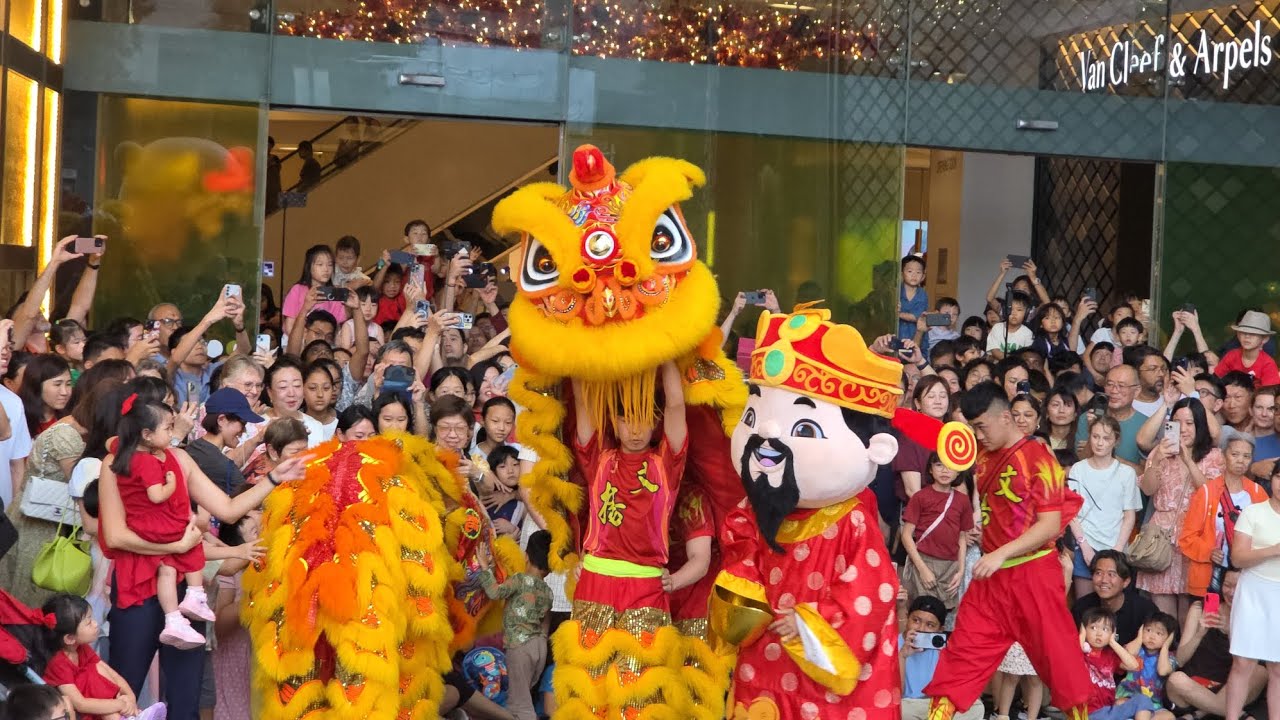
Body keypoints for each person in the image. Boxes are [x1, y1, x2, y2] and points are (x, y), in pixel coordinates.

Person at [97, 432, 307, 720]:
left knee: (187, 702)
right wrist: (176, 546)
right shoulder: (115, 463)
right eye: (167, 423)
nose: (173, 431)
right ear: (144, 428)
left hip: (185, 594)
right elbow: (114, 536)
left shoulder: (180, 459)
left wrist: (273, 479)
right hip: (136, 586)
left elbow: (229, 510)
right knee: (125, 689)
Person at [926, 382, 1089, 720]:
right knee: (962, 655)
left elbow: (1048, 524)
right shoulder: (982, 454)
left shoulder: (1039, 457)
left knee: (1060, 661)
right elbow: (937, 439)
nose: (977, 434)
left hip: (1033, 573)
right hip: (991, 578)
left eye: (982, 426)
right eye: (972, 427)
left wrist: (1001, 554)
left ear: (1005, 417)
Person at [111, 396, 215, 648]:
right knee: (191, 532)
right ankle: (194, 594)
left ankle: (173, 618)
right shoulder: (147, 462)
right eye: (168, 428)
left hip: (141, 523)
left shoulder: (126, 455)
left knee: (167, 569)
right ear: (146, 434)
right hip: (154, 524)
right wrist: (171, 483)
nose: (172, 433)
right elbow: (156, 495)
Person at [1138, 398, 1221, 619]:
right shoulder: (1160, 451)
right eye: (1176, 422)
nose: (1182, 428)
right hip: (1161, 536)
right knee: (1161, 610)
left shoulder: (1213, 456)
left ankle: (1183, 654)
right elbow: (1147, 490)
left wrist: (1188, 460)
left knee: (1189, 602)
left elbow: (1210, 493)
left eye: (1189, 423)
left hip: (1193, 534)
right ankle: (1167, 652)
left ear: (1200, 425)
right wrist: (1156, 462)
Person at [40, 594, 166, 720]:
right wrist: (119, 704)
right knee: (93, 680)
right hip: (78, 712)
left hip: (99, 704)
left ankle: (132, 716)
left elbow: (110, 673)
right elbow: (80, 704)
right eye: (88, 622)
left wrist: (130, 697)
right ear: (70, 638)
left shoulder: (81, 648)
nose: (95, 624)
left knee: (96, 668)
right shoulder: (58, 663)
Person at [1162, 571, 1266, 718]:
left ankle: (1200, 713)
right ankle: (1236, 714)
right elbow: (1180, 660)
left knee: (1260, 672)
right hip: (1194, 686)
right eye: (1227, 585)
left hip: (1228, 687)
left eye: (1236, 587)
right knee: (1176, 679)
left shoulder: (1255, 617)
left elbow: (1244, 664)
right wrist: (1200, 633)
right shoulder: (1199, 609)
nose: (1230, 592)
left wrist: (1232, 634)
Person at [1222, 458, 1280, 720]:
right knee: (1242, 663)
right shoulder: (1253, 513)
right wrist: (1275, 550)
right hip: (1253, 590)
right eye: (1279, 478)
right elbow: (1237, 558)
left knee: (1278, 668)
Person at [1179, 432, 1268, 598]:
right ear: (1223, 455)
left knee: (1238, 622)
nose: (1240, 460)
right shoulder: (1207, 492)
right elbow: (1187, 538)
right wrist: (1209, 552)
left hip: (1245, 577)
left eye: (1246, 456)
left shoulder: (1257, 493)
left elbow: (1265, 535)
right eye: (1234, 454)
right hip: (1210, 577)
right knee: (1210, 619)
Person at [476, 529, 552, 720]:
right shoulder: (548, 591)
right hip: (538, 647)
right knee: (519, 697)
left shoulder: (519, 580)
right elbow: (544, 622)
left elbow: (494, 593)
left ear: (526, 556)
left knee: (521, 704)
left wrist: (485, 567)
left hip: (520, 646)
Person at [1067, 416, 1141, 598]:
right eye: (1095, 436)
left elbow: (1129, 515)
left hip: (1116, 546)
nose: (1099, 443)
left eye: (1106, 438)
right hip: (1086, 543)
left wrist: (1117, 551)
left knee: (1114, 606)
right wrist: (1084, 547)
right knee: (1084, 605)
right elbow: (1072, 514)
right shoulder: (1078, 469)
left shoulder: (1126, 473)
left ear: (1116, 441)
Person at [900, 452, 973, 611]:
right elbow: (906, 535)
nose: (945, 471)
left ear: (958, 471)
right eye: (939, 465)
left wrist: (961, 570)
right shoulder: (920, 497)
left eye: (951, 466)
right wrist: (922, 569)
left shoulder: (963, 500)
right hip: (924, 561)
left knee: (943, 614)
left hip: (951, 567)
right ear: (930, 469)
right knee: (922, 610)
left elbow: (961, 537)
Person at [900, 595, 983, 720]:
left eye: (930, 625)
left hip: (938, 703)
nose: (921, 628)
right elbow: (895, 694)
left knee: (977, 707)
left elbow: (959, 688)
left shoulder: (944, 647)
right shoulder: (893, 644)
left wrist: (947, 654)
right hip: (909, 704)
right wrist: (902, 656)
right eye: (916, 620)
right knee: (901, 710)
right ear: (907, 618)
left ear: (940, 630)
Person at [185, 388, 261, 496]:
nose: (244, 431)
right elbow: (248, 500)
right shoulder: (225, 467)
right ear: (222, 420)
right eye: (242, 423)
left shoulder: (191, 448)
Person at [1076, 365, 1149, 469]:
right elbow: (1081, 463)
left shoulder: (1146, 425)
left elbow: (1145, 474)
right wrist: (1093, 428)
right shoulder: (1088, 418)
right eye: (1109, 384)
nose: (1114, 391)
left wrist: (1108, 455)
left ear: (1137, 391)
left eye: (1121, 386)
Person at [1078, 608, 1143, 720]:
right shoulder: (1081, 653)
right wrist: (1081, 635)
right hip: (1088, 713)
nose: (1099, 633)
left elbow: (1133, 666)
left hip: (1109, 710)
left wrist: (1112, 642)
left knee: (1142, 700)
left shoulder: (1111, 655)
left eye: (1105, 629)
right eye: (1093, 628)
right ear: (1084, 629)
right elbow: (1073, 653)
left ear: (1112, 633)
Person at [1115, 613, 1177, 720]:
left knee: (1169, 716)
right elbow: (1128, 653)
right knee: (1119, 705)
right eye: (1148, 630)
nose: (1152, 636)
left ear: (1168, 638)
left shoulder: (1169, 658)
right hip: (1129, 697)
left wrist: (1166, 646)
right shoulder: (1136, 649)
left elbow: (1162, 671)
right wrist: (1139, 638)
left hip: (1153, 704)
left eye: (1159, 633)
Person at [282, 244, 347, 330]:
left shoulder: (334, 293)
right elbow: (289, 326)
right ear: (309, 267)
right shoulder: (297, 290)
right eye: (320, 264)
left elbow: (336, 326)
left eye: (330, 265)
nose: (326, 269)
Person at [1213, 311, 1279, 387]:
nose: (1247, 336)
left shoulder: (1268, 364)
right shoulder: (1231, 356)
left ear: (1264, 339)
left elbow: (1268, 396)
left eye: (1253, 333)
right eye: (1243, 332)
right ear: (1238, 335)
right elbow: (1215, 382)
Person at [986, 291, 1035, 360]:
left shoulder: (1028, 333)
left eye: (1019, 310)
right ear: (1004, 310)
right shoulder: (997, 328)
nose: (1014, 313)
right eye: (1010, 309)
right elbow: (995, 352)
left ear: (1027, 313)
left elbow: (1026, 356)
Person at [899, 255, 929, 343]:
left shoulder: (922, 295)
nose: (914, 275)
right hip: (898, 335)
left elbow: (917, 317)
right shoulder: (896, 292)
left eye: (918, 272)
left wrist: (898, 314)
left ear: (923, 276)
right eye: (910, 271)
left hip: (916, 338)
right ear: (901, 274)